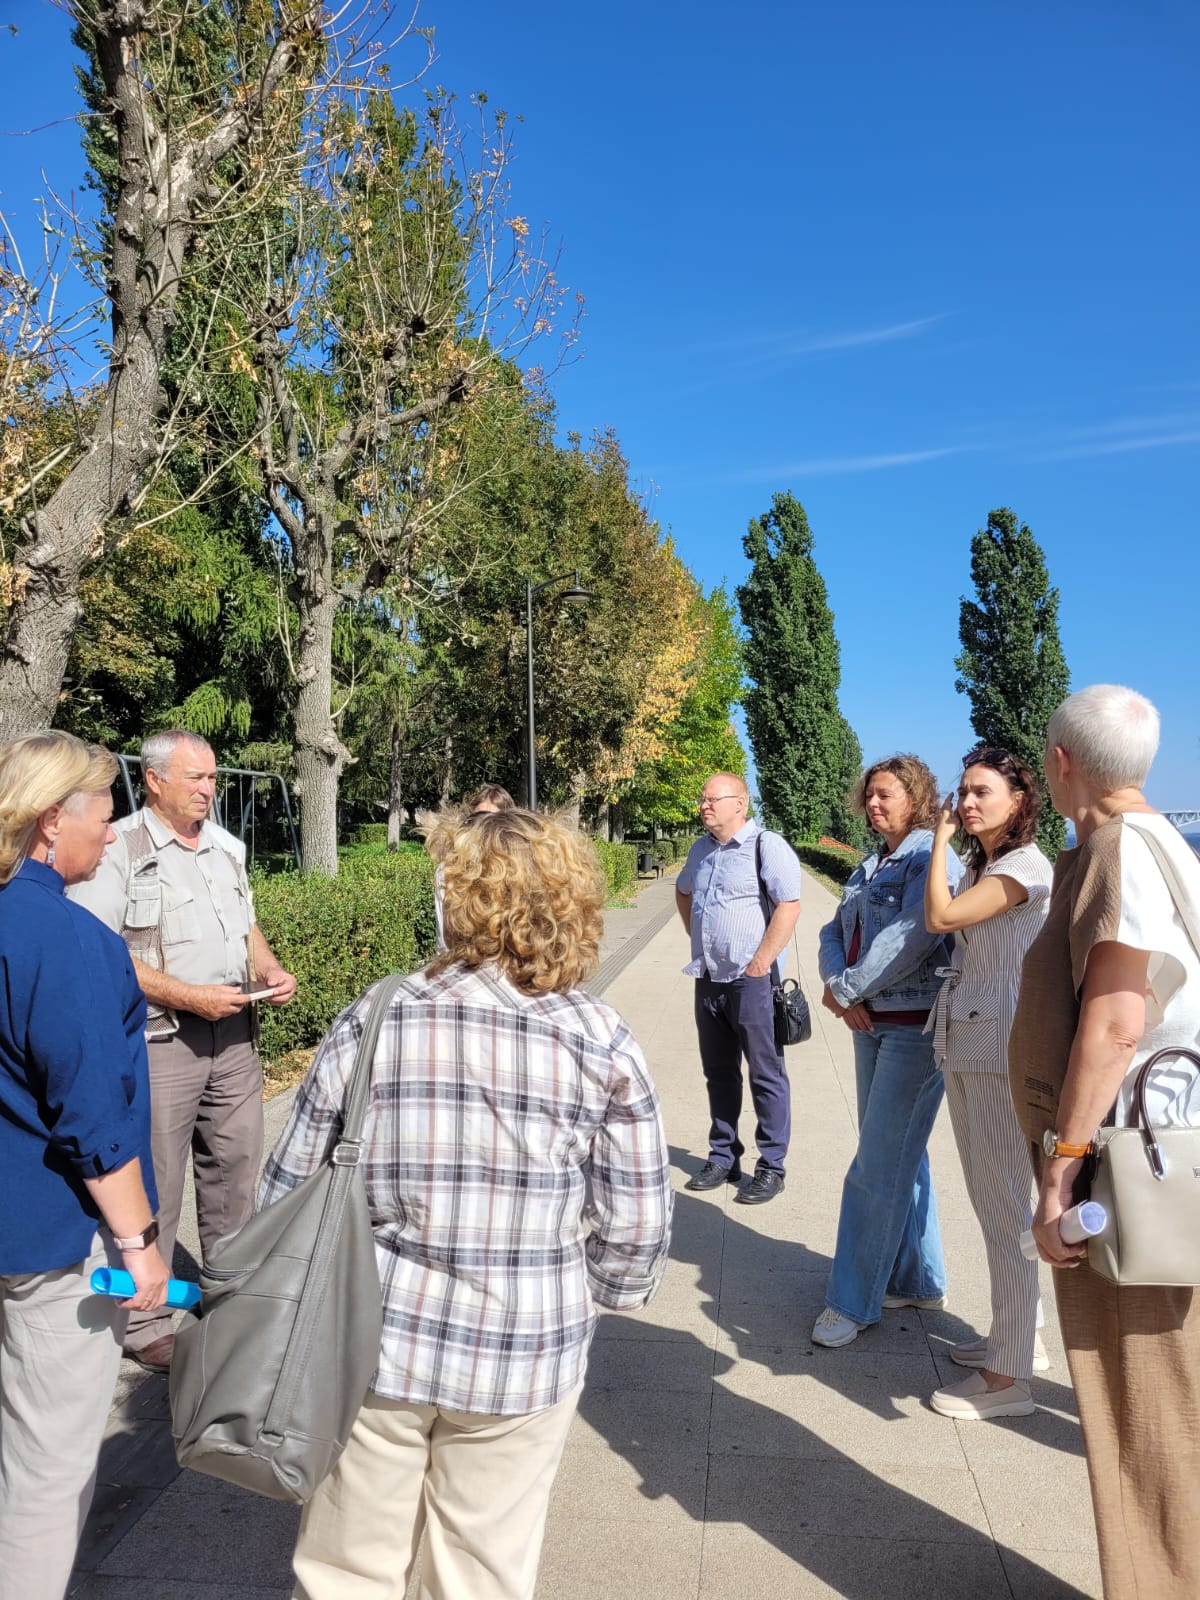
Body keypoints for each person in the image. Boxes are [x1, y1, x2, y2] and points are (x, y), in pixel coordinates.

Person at [263, 807, 672, 1600]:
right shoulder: (600, 1038)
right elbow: (639, 1221)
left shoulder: (376, 1015)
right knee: (482, 1567)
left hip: (372, 1335)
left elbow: (287, 1186)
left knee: (347, 1562)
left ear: (454, 898)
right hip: (523, 1342)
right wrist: (594, 1295)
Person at [1010, 685, 1200, 1598]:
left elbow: (1117, 1024)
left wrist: (1059, 1172)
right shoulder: (1169, 846)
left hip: (1133, 1177)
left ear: (1060, 764)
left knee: (1146, 1406)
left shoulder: (1120, 850)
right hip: (1159, 1163)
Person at [0, 732, 169, 1600]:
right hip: (47, 1248)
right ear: (47, 823)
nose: (113, 831)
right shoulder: (64, 938)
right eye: (104, 813)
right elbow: (92, 1114)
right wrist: (138, 1243)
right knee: (44, 1468)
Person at [68, 728, 295, 1372]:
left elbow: (245, 925)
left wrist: (271, 971)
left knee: (234, 1174)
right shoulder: (122, 848)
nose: (208, 789)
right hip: (160, 1041)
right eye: (195, 778)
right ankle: (147, 1324)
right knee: (157, 1184)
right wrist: (188, 996)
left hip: (234, 1040)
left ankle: (230, 1303)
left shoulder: (227, 848)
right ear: (155, 781)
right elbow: (104, 951)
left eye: (213, 777)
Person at [812, 754, 963, 1347]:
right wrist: (836, 985)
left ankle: (851, 1302)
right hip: (871, 1022)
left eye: (886, 795)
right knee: (903, 1156)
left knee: (875, 1167)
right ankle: (919, 1282)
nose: (873, 804)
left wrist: (847, 987)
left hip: (913, 1026)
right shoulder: (873, 862)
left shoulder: (930, 855)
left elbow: (916, 935)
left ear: (916, 797)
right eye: (869, 795)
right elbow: (831, 932)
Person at [922, 748, 1053, 1419]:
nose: (968, 803)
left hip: (1000, 1049)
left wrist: (940, 839)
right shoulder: (992, 865)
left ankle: (1009, 1381)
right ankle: (1017, 1339)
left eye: (982, 792)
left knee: (1004, 1203)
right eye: (962, 793)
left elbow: (940, 919)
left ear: (1019, 799)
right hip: (975, 1040)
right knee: (990, 1197)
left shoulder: (1024, 868)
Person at [675, 773, 803, 1205]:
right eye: (702, 798)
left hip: (751, 983)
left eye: (713, 798)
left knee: (766, 1074)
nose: (704, 805)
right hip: (709, 977)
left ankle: (771, 1166)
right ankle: (723, 1156)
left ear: (740, 804)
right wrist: (699, 940)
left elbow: (789, 903)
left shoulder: (767, 846)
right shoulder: (701, 850)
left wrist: (762, 961)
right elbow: (683, 892)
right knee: (718, 1073)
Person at [431, 783, 515, 951]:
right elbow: (445, 940)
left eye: (494, 822)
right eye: (477, 820)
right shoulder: (448, 871)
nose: (484, 829)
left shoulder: (521, 869)